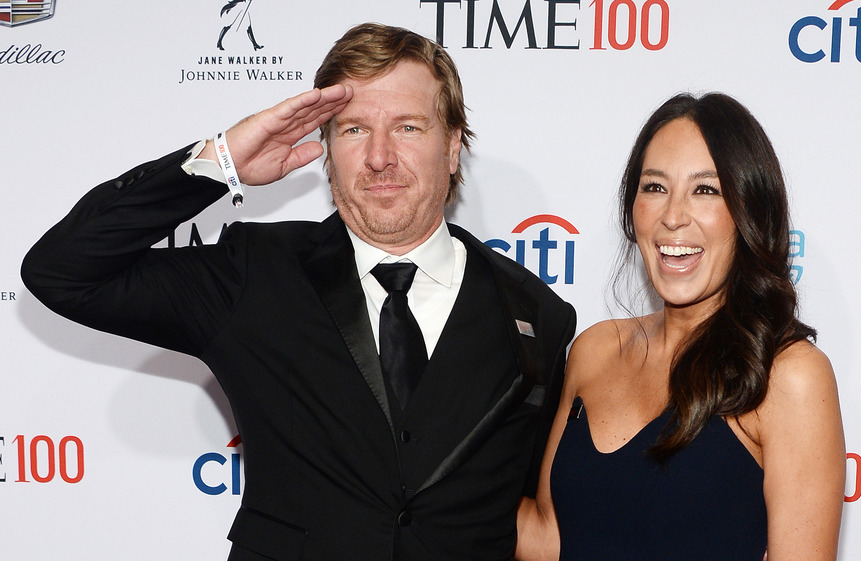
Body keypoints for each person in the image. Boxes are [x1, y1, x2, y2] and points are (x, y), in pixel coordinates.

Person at [21, 23, 575, 561]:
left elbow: (531, 512)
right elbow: (63, 271)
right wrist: (222, 162)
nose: (380, 157)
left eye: (408, 127)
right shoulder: (255, 273)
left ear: (452, 147)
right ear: (326, 148)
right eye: (354, 129)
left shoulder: (536, 314)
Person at [515, 93, 845, 561]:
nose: (673, 216)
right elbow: (550, 538)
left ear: (749, 212)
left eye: (706, 190)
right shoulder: (595, 349)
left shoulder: (789, 376)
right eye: (654, 187)